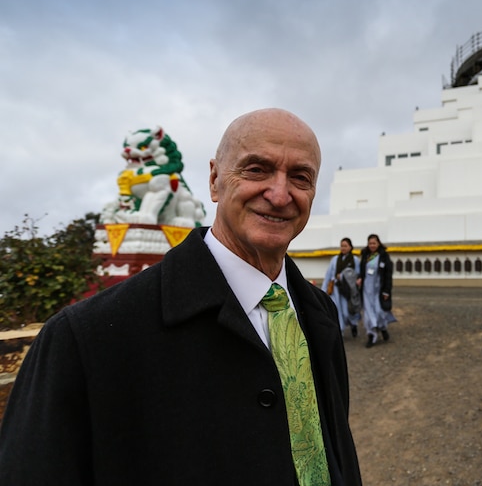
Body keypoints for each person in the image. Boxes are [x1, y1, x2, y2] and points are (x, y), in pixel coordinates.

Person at [0, 108, 363, 485]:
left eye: (300, 177)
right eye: (256, 169)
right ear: (214, 180)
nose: (279, 193)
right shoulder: (85, 339)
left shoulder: (319, 312)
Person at [357, 233, 396, 348]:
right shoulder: (365, 255)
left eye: (374, 243)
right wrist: (360, 278)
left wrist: (386, 291)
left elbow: (388, 275)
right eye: (370, 243)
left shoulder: (384, 256)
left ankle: (383, 328)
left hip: (379, 289)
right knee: (368, 314)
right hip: (366, 290)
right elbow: (362, 270)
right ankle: (371, 335)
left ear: (378, 243)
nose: (372, 245)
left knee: (379, 312)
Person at [322, 237, 361, 337]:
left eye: (345, 246)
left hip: (348, 289)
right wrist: (324, 288)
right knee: (337, 310)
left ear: (350, 247)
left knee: (347, 310)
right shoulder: (335, 259)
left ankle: (353, 324)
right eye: (342, 246)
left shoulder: (354, 260)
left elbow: (357, 274)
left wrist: (344, 276)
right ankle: (340, 330)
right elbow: (329, 274)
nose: (343, 248)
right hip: (336, 289)